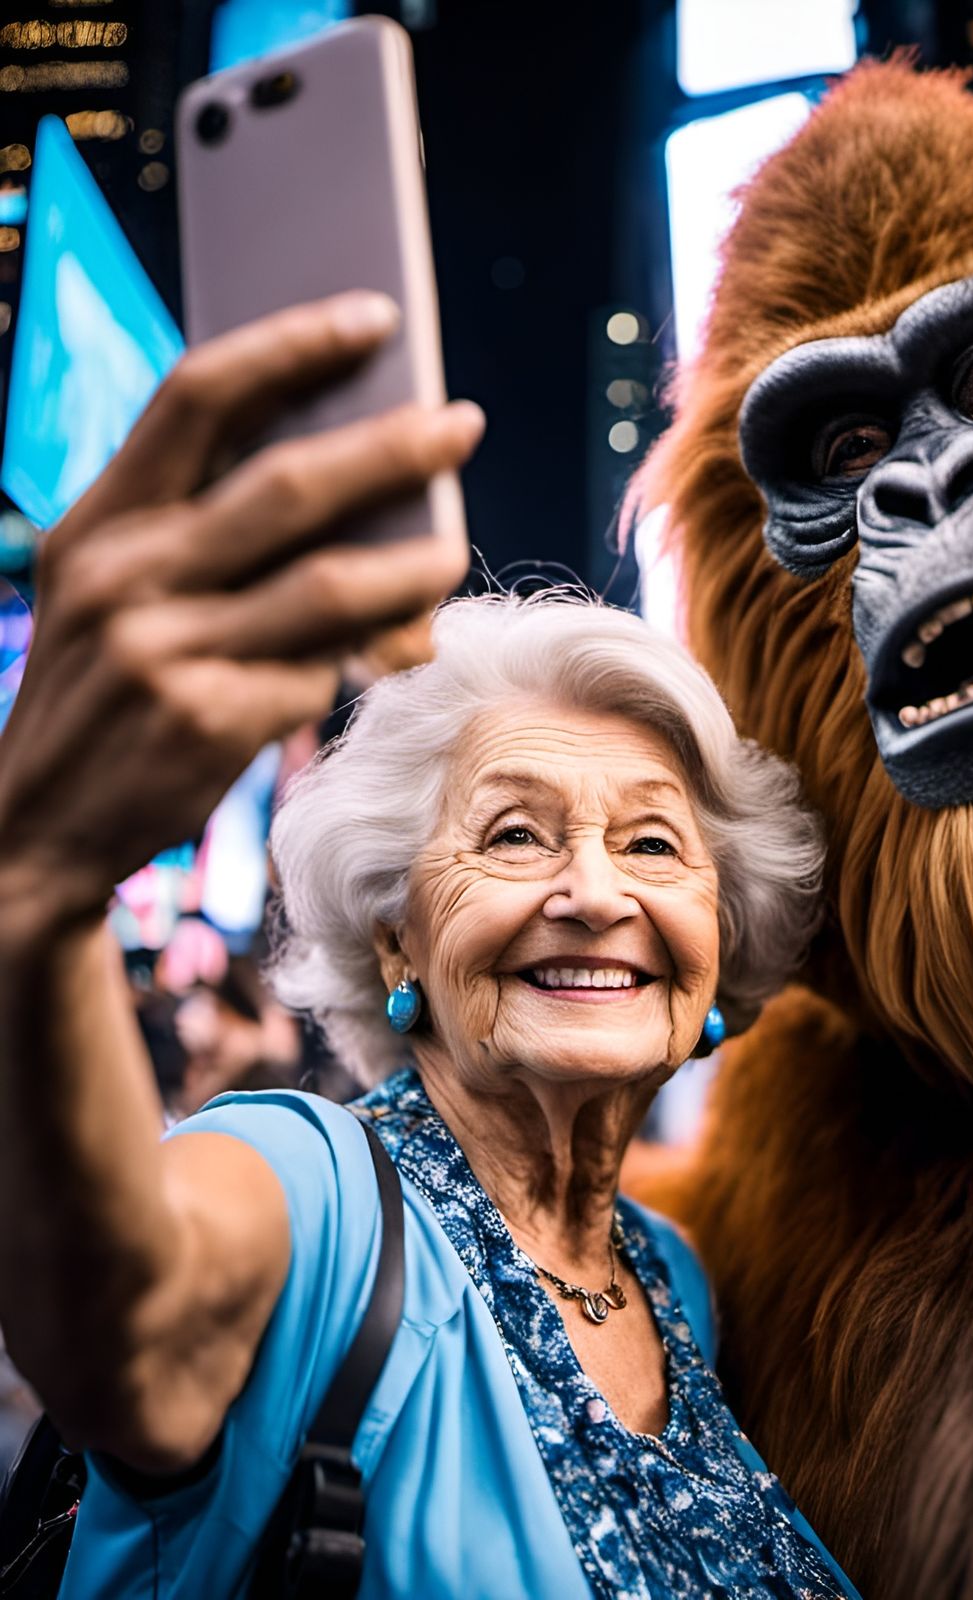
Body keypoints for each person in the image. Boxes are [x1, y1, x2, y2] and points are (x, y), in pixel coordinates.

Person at [0, 293, 856, 1597]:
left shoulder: (678, 1278)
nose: (592, 891)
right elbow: (127, 1323)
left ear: (718, 953)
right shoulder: (312, 1191)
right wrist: (34, 883)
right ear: (398, 943)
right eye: (514, 838)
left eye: (654, 846)